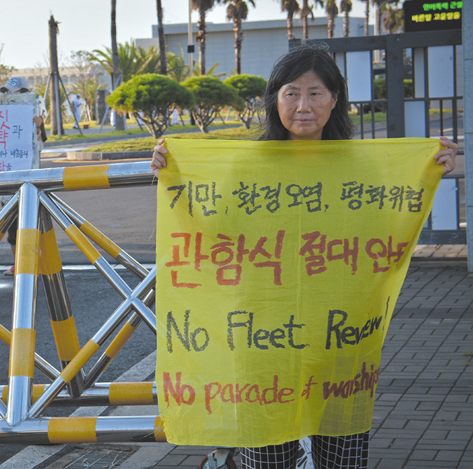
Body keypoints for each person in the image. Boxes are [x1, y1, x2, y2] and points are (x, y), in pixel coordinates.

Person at [150, 44, 457, 469]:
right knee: (268, 455)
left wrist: (428, 173)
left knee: (342, 456)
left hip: (340, 338)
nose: (303, 106)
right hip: (263, 339)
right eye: (291, 93)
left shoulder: (360, 169)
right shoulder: (248, 167)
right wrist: (174, 177)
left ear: (335, 100)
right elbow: (216, 236)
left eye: (316, 93)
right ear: (275, 100)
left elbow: (384, 238)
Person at [0, 76, 47, 275]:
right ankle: (19, 264)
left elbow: (39, 147)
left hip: (28, 183)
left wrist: (38, 127)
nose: (8, 96)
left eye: (13, 92)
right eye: (6, 92)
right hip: (8, 183)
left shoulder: (33, 117)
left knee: (32, 225)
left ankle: (36, 264)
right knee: (12, 229)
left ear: (24, 93)